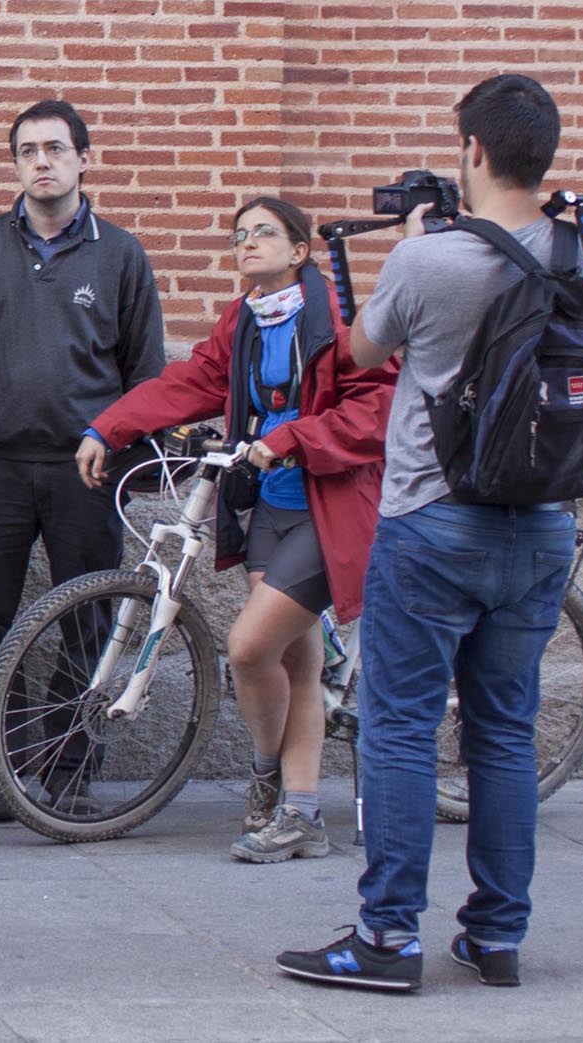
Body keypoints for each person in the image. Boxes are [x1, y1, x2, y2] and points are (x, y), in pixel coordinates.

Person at [276, 74, 583, 993]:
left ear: (474, 151)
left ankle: (385, 937)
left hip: (433, 521)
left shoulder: (429, 261)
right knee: (503, 732)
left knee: (401, 727)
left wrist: (414, 247)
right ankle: (495, 935)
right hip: (541, 526)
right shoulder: (580, 255)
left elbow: (361, 351)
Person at [83, 197, 389, 864]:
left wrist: (293, 437)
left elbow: (378, 408)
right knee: (296, 662)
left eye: (264, 233)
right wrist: (108, 427)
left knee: (248, 647)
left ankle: (267, 779)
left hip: (327, 505)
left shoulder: (338, 318)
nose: (247, 242)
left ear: (300, 251)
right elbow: (194, 380)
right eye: (239, 234)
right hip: (267, 506)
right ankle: (299, 812)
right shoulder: (244, 317)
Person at [0, 98, 166, 822]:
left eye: (55, 148)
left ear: (84, 159)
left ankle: (70, 769)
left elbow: (144, 376)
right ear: (16, 165)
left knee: (87, 622)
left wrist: (120, 455)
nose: (41, 161)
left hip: (84, 472)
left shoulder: (120, 254)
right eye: (27, 151)